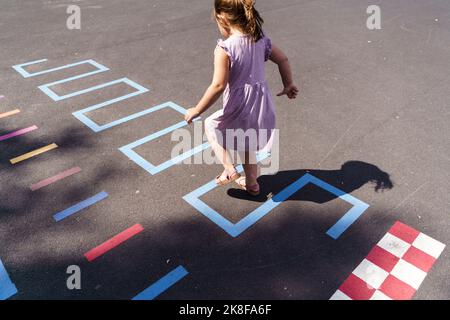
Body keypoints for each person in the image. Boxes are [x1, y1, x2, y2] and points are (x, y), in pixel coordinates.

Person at [185, 0, 298, 196]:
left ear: (222, 17)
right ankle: (252, 183)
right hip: (261, 105)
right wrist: (288, 84)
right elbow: (283, 59)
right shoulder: (260, 39)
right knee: (248, 141)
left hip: (239, 106)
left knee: (211, 125)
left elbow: (218, 85)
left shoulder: (225, 48)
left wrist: (197, 109)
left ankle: (229, 169)